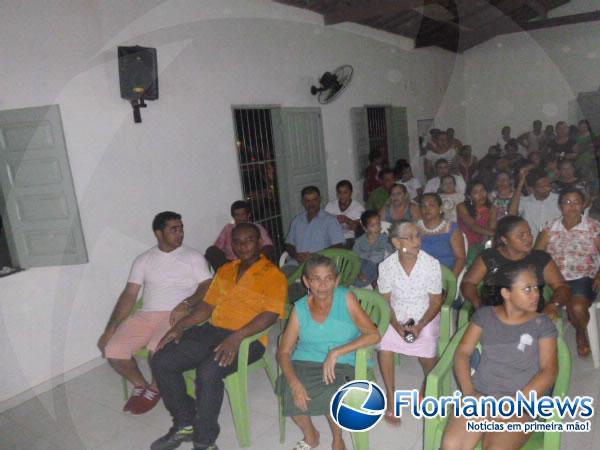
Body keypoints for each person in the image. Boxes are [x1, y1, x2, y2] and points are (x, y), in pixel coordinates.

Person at [150, 223, 287, 450]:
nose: (243, 246)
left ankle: (205, 441)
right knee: (162, 359)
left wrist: (237, 337)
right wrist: (181, 326)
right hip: (213, 330)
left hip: (248, 339)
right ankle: (185, 422)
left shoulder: (273, 275)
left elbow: (271, 316)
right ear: (232, 245)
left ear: (260, 243)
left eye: (249, 240)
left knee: (208, 371)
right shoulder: (225, 270)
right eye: (237, 242)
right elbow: (206, 307)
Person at [98, 211, 213, 415]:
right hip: (146, 315)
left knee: (157, 350)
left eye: (181, 229)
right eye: (174, 229)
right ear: (158, 233)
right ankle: (140, 385)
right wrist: (109, 330)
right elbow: (129, 295)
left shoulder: (193, 257)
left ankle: (155, 389)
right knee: (112, 350)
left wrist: (187, 303)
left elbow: (207, 286)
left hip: (176, 316)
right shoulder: (144, 260)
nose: (180, 234)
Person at [442, 263, 558, 450]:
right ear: (506, 293)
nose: (536, 294)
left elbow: (549, 371)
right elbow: (463, 353)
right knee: (451, 446)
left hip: (520, 404)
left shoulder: (542, 324)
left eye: (537, 288)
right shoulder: (485, 316)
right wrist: (469, 392)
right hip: (481, 394)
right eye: (527, 289)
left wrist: (515, 403)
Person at [277, 255, 380, 450]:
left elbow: (374, 335)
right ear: (306, 281)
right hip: (306, 360)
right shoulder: (300, 308)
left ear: (337, 280)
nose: (323, 285)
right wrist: (294, 381)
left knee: (333, 392)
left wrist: (336, 352)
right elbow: (284, 352)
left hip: (345, 360)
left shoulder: (346, 297)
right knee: (290, 390)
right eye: (316, 279)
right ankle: (311, 436)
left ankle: (337, 439)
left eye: (328, 278)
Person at [377, 221, 443, 423]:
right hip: (396, 314)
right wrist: (396, 326)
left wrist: (420, 325)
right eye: (411, 237)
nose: (417, 241)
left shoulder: (431, 264)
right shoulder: (386, 266)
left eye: (418, 236)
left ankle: (427, 386)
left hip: (424, 314)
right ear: (397, 242)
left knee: (429, 347)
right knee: (384, 344)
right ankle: (391, 395)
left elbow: (435, 302)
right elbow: (384, 302)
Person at [460, 215, 570, 316]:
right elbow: (468, 283)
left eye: (529, 233)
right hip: (494, 314)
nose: (528, 238)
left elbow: (562, 287)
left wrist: (553, 305)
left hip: (531, 315)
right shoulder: (490, 256)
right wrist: (477, 303)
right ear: (504, 239)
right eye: (521, 236)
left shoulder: (540, 258)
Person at [535, 188, 600, 357]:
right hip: (554, 279)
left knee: (577, 306)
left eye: (576, 202)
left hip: (583, 277)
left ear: (584, 204)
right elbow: (537, 256)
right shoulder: (549, 228)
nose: (571, 207)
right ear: (560, 205)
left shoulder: (593, 227)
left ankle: (580, 332)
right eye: (567, 202)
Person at [284, 186, 345, 266]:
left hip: (320, 265)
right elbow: (288, 244)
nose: (311, 204)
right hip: (296, 264)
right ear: (303, 202)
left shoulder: (330, 221)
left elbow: (338, 246)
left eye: (314, 200)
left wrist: (314, 256)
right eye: (307, 201)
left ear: (319, 200)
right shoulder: (297, 220)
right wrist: (296, 255)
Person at [205, 200, 274, 270]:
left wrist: (256, 258)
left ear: (248, 215)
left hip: (249, 262)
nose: (240, 218)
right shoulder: (228, 228)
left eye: (243, 214)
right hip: (230, 264)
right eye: (237, 215)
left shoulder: (256, 228)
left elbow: (268, 246)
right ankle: (228, 275)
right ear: (233, 216)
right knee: (211, 251)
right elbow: (217, 247)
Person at [417, 193, 466, 278]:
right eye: (423, 206)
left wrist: (450, 281)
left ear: (440, 208)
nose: (427, 209)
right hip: (421, 274)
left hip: (445, 275)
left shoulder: (451, 228)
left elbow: (461, 258)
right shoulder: (415, 228)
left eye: (431, 205)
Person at [508, 167, 560, 238]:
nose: (547, 189)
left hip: (554, 243)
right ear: (532, 189)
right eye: (542, 187)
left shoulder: (559, 199)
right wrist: (520, 184)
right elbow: (512, 213)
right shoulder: (524, 201)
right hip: (531, 244)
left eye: (548, 185)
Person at [457, 181, 497, 267]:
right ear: (469, 196)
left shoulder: (492, 209)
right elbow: (472, 226)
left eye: (483, 190)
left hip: (482, 244)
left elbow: (491, 229)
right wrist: (497, 233)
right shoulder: (462, 207)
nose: (481, 194)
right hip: (464, 244)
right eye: (476, 192)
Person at [352, 210, 394, 288]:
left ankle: (369, 284)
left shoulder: (384, 239)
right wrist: (359, 273)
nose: (377, 227)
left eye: (378, 224)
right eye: (372, 225)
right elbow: (353, 260)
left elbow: (391, 257)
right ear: (365, 228)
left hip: (379, 271)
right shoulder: (359, 242)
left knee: (376, 258)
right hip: (362, 272)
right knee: (364, 262)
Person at [325, 180, 365, 247]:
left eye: (345, 192)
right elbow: (323, 223)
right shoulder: (330, 206)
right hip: (331, 237)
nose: (342, 195)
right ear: (337, 193)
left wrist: (347, 220)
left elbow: (361, 230)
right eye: (339, 193)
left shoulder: (358, 208)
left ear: (351, 193)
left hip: (348, 239)